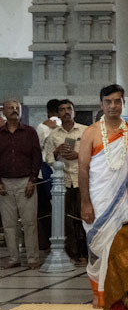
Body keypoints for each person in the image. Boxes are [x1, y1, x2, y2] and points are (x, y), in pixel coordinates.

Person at [79, 85, 128, 306]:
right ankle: (99, 293)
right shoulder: (91, 132)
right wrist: (85, 202)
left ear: (123, 102)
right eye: (108, 102)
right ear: (101, 104)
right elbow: (83, 169)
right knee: (97, 245)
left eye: (117, 101)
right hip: (97, 200)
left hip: (124, 202)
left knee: (122, 248)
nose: (113, 106)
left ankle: (118, 294)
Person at [43, 99, 88, 263]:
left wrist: (78, 155)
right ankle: (71, 253)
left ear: (74, 111)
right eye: (62, 109)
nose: (66, 112)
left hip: (82, 179)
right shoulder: (53, 135)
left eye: (69, 108)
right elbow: (48, 159)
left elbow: (95, 154)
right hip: (63, 182)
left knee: (83, 216)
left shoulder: (85, 131)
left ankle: (85, 252)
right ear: (58, 113)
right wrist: (56, 152)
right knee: (67, 219)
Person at [0, 99, 42, 269]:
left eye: (17, 108)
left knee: (29, 222)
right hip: (5, 183)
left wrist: (32, 180)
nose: (15, 110)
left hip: (26, 182)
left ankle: (32, 258)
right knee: (9, 224)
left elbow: (36, 157)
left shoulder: (30, 132)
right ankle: (13, 257)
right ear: (4, 111)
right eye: (11, 108)